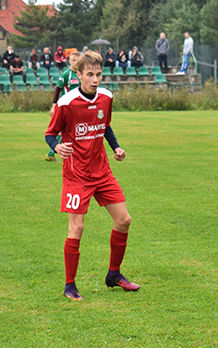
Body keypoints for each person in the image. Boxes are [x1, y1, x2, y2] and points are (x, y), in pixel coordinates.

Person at [45, 51, 140, 301]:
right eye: (90, 74)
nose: (95, 79)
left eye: (98, 74)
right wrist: (56, 146)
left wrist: (116, 147)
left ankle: (114, 274)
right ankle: (69, 285)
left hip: (102, 172)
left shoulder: (106, 97)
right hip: (76, 175)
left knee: (124, 220)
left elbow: (105, 126)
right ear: (79, 75)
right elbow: (50, 133)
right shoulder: (67, 102)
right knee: (76, 227)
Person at [46, 51, 81, 162]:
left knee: (72, 130)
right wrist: (53, 105)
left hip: (78, 107)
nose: (76, 63)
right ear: (69, 61)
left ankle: (52, 152)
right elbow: (58, 89)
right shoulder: (66, 74)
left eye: (78, 60)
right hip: (67, 107)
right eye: (73, 60)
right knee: (65, 129)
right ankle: (52, 152)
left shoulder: (82, 74)